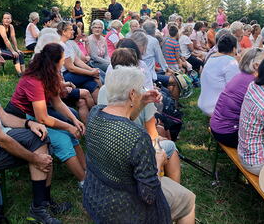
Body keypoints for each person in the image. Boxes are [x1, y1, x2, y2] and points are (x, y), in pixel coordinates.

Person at [83, 66, 196, 224]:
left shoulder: (95, 113)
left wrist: (141, 102)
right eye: (140, 89)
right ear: (131, 94)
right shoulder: (137, 137)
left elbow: (125, 115)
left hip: (96, 196)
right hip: (126, 210)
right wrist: (159, 161)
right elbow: (149, 194)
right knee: (188, 199)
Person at [0, 37, 71, 224]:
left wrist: (28, 124)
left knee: (40, 136)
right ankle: (39, 207)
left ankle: (43, 203)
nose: (3, 60)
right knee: (39, 146)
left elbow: (2, 116)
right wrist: (34, 158)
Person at [5, 43, 87, 188]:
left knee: (71, 134)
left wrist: (74, 120)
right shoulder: (34, 81)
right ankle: (84, 182)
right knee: (62, 140)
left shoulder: (51, 74)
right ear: (54, 62)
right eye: (62, 59)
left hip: (33, 116)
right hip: (18, 119)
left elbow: (57, 102)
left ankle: (88, 172)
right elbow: (43, 118)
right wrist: (68, 127)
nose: (64, 62)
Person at [99, 48, 181, 182]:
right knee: (170, 146)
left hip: (108, 154)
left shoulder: (103, 90)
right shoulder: (139, 92)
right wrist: (159, 149)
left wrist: (143, 103)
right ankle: (174, 188)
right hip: (132, 157)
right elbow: (151, 135)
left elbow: (125, 118)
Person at [210, 48, 264, 148]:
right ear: (256, 65)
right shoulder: (254, 84)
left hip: (217, 126)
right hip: (228, 133)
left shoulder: (240, 76)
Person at [57, 21, 100, 103]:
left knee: (91, 84)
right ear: (64, 32)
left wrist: (91, 69)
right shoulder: (61, 45)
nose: (73, 31)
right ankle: (105, 105)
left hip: (71, 73)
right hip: (64, 76)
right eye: (70, 29)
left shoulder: (68, 44)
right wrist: (91, 73)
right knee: (95, 76)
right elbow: (71, 68)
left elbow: (77, 60)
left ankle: (98, 107)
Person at [198, 34, 239, 116]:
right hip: (216, 107)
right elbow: (235, 89)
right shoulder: (230, 61)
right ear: (234, 49)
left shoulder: (211, 58)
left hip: (203, 103)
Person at [142, 21, 180, 100]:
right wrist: (167, 69)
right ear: (154, 30)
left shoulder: (140, 39)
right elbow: (160, 59)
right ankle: (174, 107)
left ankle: (170, 101)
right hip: (150, 74)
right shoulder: (153, 41)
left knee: (168, 76)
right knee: (175, 81)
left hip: (145, 72)